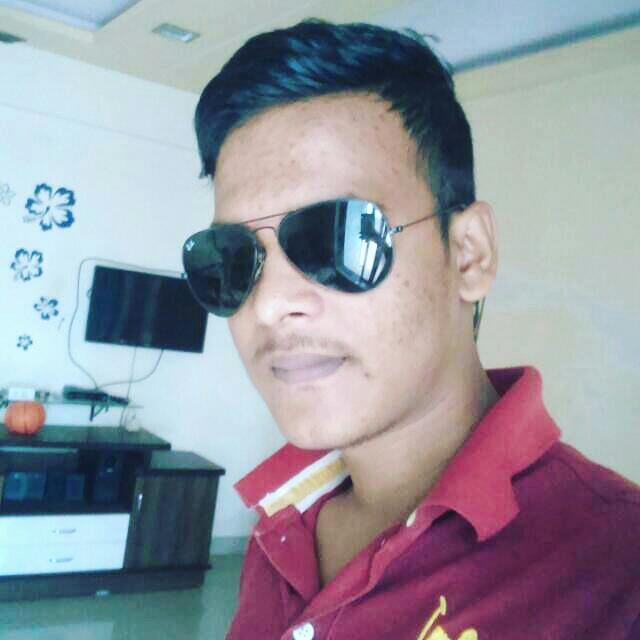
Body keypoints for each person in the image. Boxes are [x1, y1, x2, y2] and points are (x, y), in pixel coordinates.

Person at [182, 20, 640, 640]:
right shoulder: (280, 527)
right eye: (233, 257)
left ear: (469, 254)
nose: (268, 305)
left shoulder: (615, 575)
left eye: (339, 238)